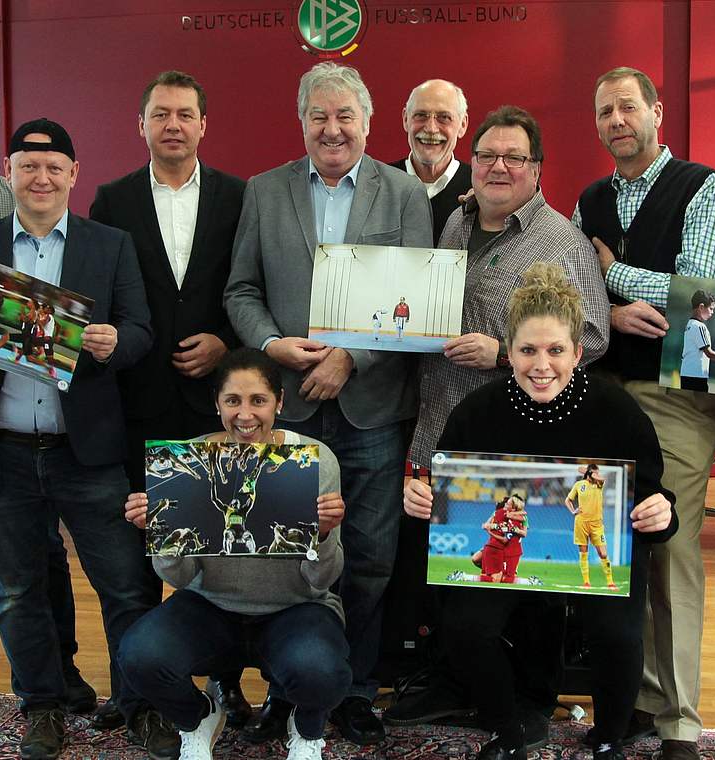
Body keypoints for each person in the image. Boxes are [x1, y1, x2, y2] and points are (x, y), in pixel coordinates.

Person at [0, 118, 165, 760]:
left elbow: (141, 330)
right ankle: (41, 705)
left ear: (73, 175)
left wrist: (118, 343)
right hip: (2, 452)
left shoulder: (109, 245)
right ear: (10, 172)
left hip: (87, 452)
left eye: (53, 167)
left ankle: (140, 702)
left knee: (124, 585)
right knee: (16, 591)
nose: (41, 178)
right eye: (28, 166)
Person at [225, 60, 432, 745]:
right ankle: (288, 691)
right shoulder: (264, 190)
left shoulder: (404, 194)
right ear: (302, 121)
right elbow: (241, 291)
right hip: (288, 414)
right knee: (287, 558)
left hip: (372, 409)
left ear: (369, 124)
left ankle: (354, 688)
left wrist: (354, 356)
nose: (333, 128)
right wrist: (270, 347)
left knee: (370, 557)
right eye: (320, 115)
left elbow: (420, 302)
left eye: (346, 116)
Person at [390, 105, 610, 736]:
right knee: (452, 564)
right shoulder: (455, 224)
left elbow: (591, 337)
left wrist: (503, 352)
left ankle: (532, 700)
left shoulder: (562, 241)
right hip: (440, 425)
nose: (499, 166)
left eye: (514, 157)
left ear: (536, 169)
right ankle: (459, 683)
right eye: (487, 155)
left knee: (525, 571)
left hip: (517, 438)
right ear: (473, 160)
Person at [404, 263, 677, 760]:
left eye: (556, 350)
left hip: (590, 548)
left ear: (578, 351)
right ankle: (507, 731)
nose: (542, 364)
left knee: (615, 631)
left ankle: (610, 734)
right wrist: (420, 500)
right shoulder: (478, 411)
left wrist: (662, 512)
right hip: (505, 550)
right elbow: (443, 496)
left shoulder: (616, 411)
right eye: (528, 350)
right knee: (466, 625)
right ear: (508, 353)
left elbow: (655, 499)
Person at [573, 66, 715, 757]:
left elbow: (699, 292)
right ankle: (635, 699)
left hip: (677, 399)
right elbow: (578, 288)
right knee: (613, 550)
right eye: (605, 110)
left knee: (670, 552)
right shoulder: (588, 198)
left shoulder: (705, 186)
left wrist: (612, 272)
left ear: (657, 112)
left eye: (627, 107)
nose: (616, 120)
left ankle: (680, 719)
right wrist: (606, 305)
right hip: (603, 394)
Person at [89, 68, 249, 732]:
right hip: (139, 401)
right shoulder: (111, 199)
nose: (174, 125)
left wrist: (226, 341)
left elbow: (250, 285)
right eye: (161, 114)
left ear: (204, 125)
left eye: (185, 113)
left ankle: (228, 686)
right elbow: (104, 294)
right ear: (143, 125)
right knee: (135, 560)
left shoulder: (241, 197)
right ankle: (137, 691)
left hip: (219, 405)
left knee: (224, 552)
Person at [118, 348, 352, 760]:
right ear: (217, 405)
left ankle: (308, 727)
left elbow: (322, 581)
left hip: (296, 607)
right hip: (211, 605)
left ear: (279, 402)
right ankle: (198, 716)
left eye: (258, 400)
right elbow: (177, 577)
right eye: (233, 401)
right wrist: (163, 533)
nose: (245, 415)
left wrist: (323, 536)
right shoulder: (188, 459)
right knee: (138, 656)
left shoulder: (315, 460)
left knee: (322, 671)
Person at [390, 78, 472, 244]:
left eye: (444, 117)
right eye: (421, 115)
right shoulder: (378, 184)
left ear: (462, 125)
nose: (431, 128)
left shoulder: (478, 188)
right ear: (406, 119)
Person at [566, 464, 615, 589]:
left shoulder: (599, 484)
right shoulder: (579, 485)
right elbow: (568, 500)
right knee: (584, 553)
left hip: (597, 524)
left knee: (603, 554)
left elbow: (602, 479)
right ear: (589, 473)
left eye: (598, 473)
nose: (598, 475)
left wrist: (590, 472)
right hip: (581, 522)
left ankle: (610, 582)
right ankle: (586, 582)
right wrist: (573, 511)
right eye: (595, 473)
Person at [679, 289, 715, 391]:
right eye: (711, 309)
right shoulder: (699, 326)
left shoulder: (690, 324)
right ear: (701, 307)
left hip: (686, 373)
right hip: (696, 376)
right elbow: (709, 353)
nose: (712, 312)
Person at [478, 494, 527, 583]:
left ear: (513, 507)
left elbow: (524, 526)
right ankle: (529, 582)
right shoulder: (503, 514)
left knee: (500, 578)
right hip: (499, 548)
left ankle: (471, 576)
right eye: (505, 503)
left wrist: (515, 529)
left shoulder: (517, 518)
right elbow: (488, 526)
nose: (505, 505)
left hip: (505, 549)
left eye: (507, 504)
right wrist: (492, 527)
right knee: (500, 579)